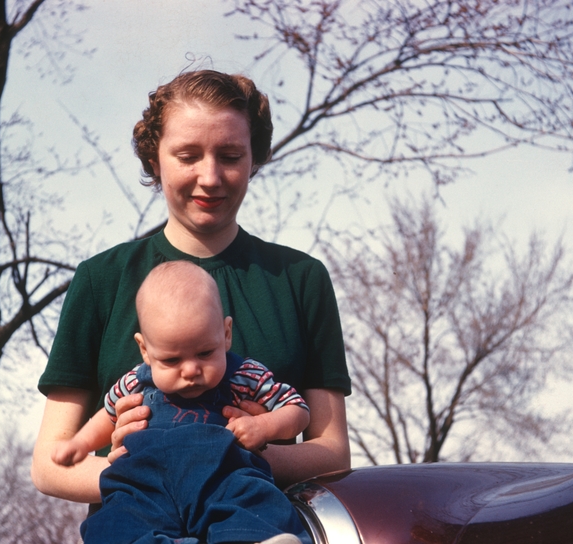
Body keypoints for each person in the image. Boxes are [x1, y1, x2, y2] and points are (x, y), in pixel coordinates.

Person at [32, 69, 350, 512]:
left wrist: (248, 457)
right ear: (153, 160)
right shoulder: (100, 280)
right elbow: (48, 466)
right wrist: (135, 470)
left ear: (253, 159)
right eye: (187, 156)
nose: (211, 177)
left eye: (230, 155)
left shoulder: (300, 278)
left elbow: (333, 453)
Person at [52, 260, 311, 544]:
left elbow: (297, 410)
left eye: (204, 352)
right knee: (114, 525)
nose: (190, 370)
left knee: (253, 507)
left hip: (222, 479)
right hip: (143, 487)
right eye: (172, 360)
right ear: (145, 350)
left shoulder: (244, 375)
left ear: (226, 335)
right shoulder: (134, 382)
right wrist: (80, 444)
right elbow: (108, 415)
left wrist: (264, 425)